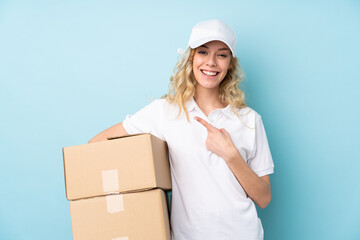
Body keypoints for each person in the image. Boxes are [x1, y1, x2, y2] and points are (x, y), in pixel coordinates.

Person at [89, 19, 274, 240]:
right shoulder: (165, 112)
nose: (212, 62)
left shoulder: (249, 119)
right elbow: (97, 143)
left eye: (222, 55)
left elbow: (263, 198)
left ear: (230, 64)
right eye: (203, 52)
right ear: (191, 58)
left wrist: (230, 155)